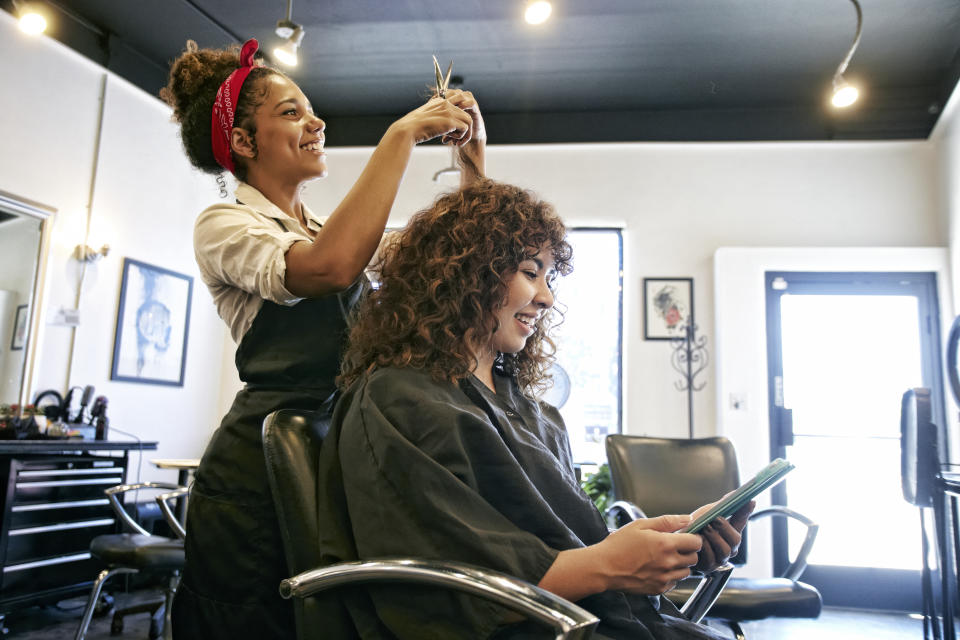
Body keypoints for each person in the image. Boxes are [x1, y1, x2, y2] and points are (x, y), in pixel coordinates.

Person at [316, 179, 752, 639]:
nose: (545, 297)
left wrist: (670, 549)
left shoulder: (533, 413)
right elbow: (451, 593)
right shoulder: (399, 401)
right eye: (530, 271)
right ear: (468, 273)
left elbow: (571, 545)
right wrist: (608, 565)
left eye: (548, 277)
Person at [160, 37, 485, 638]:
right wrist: (399, 137)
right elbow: (325, 269)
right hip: (254, 476)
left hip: (332, 458)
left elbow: (454, 260)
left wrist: (472, 162)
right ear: (241, 141)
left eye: (310, 110)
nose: (317, 122)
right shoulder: (227, 223)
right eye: (291, 112)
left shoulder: (328, 228)